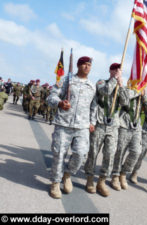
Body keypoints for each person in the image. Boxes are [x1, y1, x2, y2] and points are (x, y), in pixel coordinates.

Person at [47, 56, 96, 199]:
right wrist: (60, 103)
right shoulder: (66, 81)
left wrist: (92, 122)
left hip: (82, 126)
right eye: (84, 64)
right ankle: (55, 182)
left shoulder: (92, 86)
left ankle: (67, 174)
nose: (87, 67)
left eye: (89, 65)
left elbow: (94, 107)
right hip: (64, 123)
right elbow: (51, 97)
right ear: (78, 66)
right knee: (59, 154)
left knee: (80, 154)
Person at [84, 63, 126, 197]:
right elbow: (105, 91)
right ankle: (90, 179)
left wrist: (122, 86)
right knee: (93, 152)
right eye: (115, 69)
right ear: (110, 70)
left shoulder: (119, 85)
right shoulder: (102, 82)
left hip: (113, 126)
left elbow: (125, 103)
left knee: (110, 154)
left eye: (119, 70)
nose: (117, 72)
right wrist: (114, 79)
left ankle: (102, 181)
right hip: (100, 123)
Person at [111, 88, 147, 191]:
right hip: (124, 124)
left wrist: (145, 96)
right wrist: (136, 92)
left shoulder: (144, 94)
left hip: (136, 127)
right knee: (120, 151)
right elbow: (124, 102)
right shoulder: (127, 89)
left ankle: (123, 173)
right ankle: (115, 175)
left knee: (136, 152)